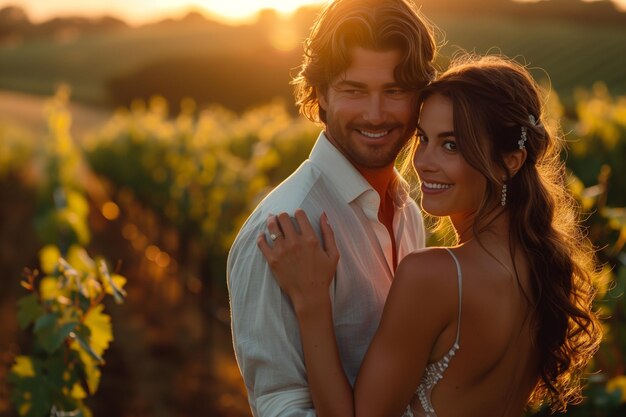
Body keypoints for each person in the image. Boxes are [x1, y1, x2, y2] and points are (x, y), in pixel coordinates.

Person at [259, 55, 602, 417]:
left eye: (451, 145)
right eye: (424, 138)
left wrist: (311, 301)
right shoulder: (540, 264)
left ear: (511, 161)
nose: (424, 161)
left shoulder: (435, 276)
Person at [227, 0, 437, 415]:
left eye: (394, 91)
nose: (375, 115)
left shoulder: (411, 212)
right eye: (354, 90)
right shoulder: (279, 229)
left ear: (419, 98)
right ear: (320, 92)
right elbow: (279, 402)